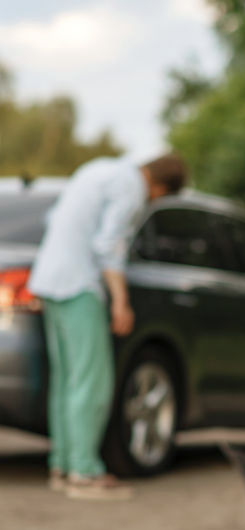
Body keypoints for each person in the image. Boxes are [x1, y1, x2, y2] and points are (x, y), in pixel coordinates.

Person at [28, 153, 187, 500]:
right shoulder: (131, 188)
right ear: (159, 187)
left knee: (68, 381)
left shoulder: (96, 169)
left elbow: (54, 218)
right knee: (92, 382)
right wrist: (120, 301)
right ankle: (84, 473)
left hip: (49, 280)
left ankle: (63, 465)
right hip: (79, 285)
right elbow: (108, 246)